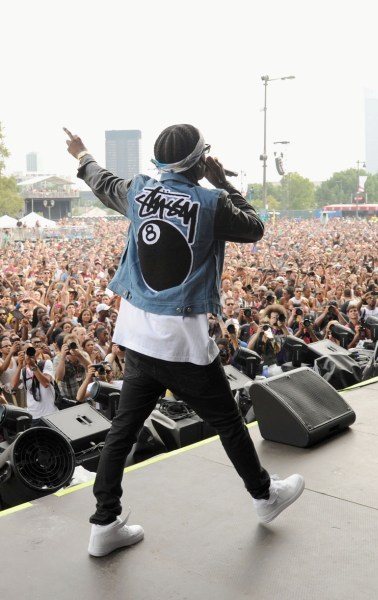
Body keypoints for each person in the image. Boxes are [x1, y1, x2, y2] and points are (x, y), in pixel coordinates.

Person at [64, 124, 304, 558]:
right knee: (228, 421)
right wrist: (223, 182)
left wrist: (81, 153)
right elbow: (255, 227)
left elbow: (101, 180)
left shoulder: (138, 191)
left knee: (123, 429)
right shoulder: (212, 203)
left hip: (136, 334)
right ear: (199, 161)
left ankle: (103, 523)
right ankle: (265, 497)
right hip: (181, 340)